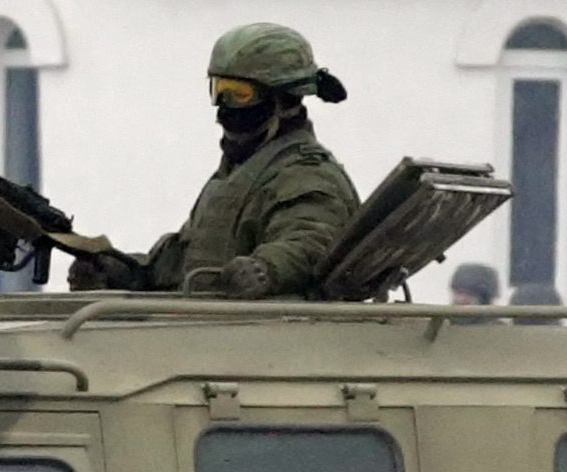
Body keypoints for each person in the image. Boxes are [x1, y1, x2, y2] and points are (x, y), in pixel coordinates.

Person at [71, 23, 359, 299]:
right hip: (208, 333)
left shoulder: (306, 174)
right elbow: (191, 260)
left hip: (266, 338)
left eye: (240, 94)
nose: (224, 105)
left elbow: (313, 239)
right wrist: (121, 271)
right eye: (219, 90)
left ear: (284, 100)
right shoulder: (238, 172)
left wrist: (267, 268)